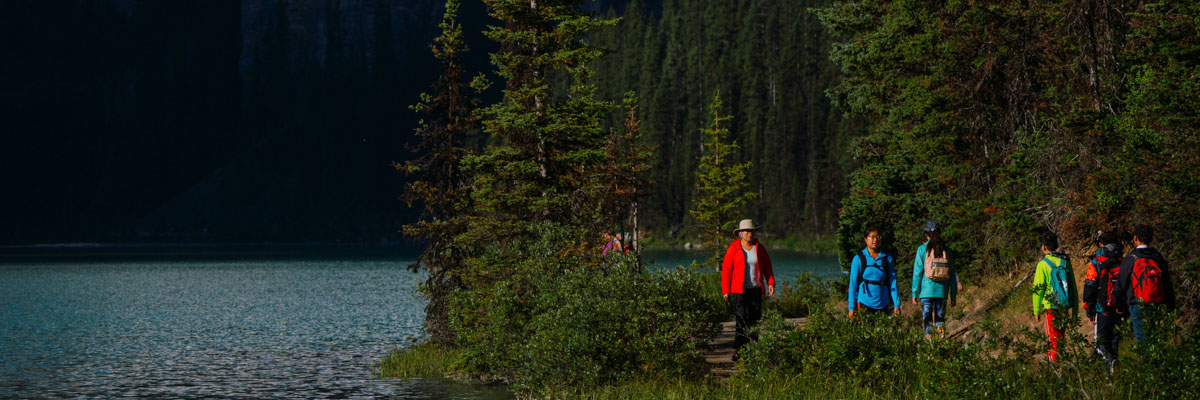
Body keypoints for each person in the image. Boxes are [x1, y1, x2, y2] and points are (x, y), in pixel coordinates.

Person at [721, 219, 775, 361]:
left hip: (756, 290)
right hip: (739, 291)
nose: (749, 234)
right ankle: (739, 350)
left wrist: (771, 283)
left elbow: (767, 267)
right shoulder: (734, 248)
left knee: (755, 320)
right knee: (741, 320)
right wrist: (725, 290)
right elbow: (726, 270)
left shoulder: (760, 248)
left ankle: (752, 350)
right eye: (746, 231)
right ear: (740, 233)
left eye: (751, 231)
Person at [1116, 224, 1176, 344]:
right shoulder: (1157, 257)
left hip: (1137, 303)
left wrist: (1119, 305)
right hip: (1157, 303)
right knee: (1156, 341)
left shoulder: (1131, 258)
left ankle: (1145, 362)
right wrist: (1170, 305)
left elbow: (1121, 284)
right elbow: (1167, 283)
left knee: (1142, 342)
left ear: (1135, 238)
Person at [1031, 231, 1077, 363]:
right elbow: (1073, 286)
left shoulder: (1043, 265)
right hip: (1065, 306)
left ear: (1044, 247)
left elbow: (1037, 290)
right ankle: (1061, 362)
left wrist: (1036, 310)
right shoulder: (1065, 262)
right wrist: (1074, 311)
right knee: (1061, 337)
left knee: (1052, 339)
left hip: (1051, 307)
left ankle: (1055, 366)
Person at [1082, 230, 1123, 370]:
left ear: (1101, 244)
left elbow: (1090, 285)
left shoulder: (1096, 262)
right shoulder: (1124, 260)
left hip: (1102, 309)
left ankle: (1109, 365)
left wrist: (1089, 308)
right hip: (1119, 308)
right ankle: (1113, 368)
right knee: (1114, 340)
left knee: (1100, 342)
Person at [911, 221, 958, 339]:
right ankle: (941, 342)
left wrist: (914, 292)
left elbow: (917, 273)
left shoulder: (922, 249)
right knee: (940, 320)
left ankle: (930, 348)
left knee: (927, 322)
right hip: (942, 292)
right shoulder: (947, 250)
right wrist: (953, 295)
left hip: (926, 292)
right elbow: (952, 274)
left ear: (926, 234)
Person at [849, 225, 899, 320]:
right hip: (864, 302)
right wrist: (851, 307)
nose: (875, 240)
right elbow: (853, 284)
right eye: (872, 237)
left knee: (883, 333)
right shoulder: (858, 259)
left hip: (883, 303)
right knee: (866, 332)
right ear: (865, 239)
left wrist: (897, 304)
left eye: (878, 237)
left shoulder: (887, 258)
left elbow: (892, 282)